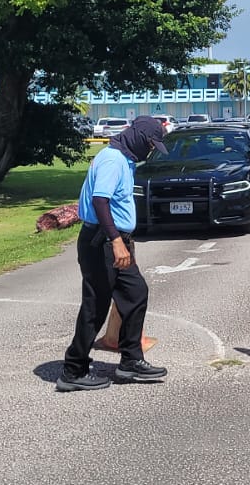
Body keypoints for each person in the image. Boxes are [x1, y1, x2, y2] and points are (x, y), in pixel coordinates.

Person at [57, 115, 170, 392]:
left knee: (135, 293)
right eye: (151, 145)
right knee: (96, 305)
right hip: (102, 241)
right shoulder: (112, 160)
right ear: (140, 138)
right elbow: (100, 200)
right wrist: (116, 240)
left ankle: (130, 360)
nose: (152, 150)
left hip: (112, 239)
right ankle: (74, 370)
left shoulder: (123, 159)